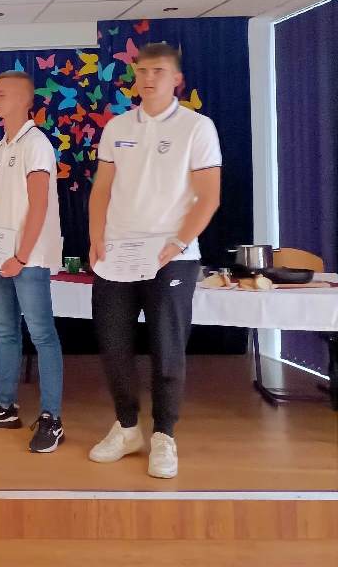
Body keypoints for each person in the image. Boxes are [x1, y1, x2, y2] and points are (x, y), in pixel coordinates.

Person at [87, 43, 222, 479]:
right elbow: (102, 189)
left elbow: (209, 196)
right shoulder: (118, 126)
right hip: (118, 253)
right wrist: (96, 237)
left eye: (158, 71)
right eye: (142, 71)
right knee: (113, 345)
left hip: (172, 255)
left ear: (176, 79)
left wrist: (179, 242)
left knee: (167, 349)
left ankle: (164, 435)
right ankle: (127, 428)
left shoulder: (197, 127)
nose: (148, 78)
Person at [0, 72, 66, 453]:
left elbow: (39, 204)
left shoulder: (35, 144)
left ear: (24, 100)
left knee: (42, 335)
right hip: (0, 254)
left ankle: (52, 418)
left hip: (28, 257)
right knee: (5, 331)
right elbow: (1, 206)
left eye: (1, 94)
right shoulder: (0, 147)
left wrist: (22, 256)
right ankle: (4, 404)